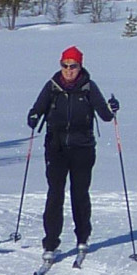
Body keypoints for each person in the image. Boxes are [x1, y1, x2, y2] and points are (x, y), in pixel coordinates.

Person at [26, 46, 117, 262]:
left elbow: (105, 115)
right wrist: (33, 116)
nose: (68, 70)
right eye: (65, 65)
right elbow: (37, 108)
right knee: (55, 195)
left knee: (80, 194)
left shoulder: (88, 87)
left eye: (73, 66)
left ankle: (82, 238)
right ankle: (50, 243)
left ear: (80, 66)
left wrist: (112, 108)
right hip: (56, 148)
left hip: (83, 148)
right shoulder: (52, 87)